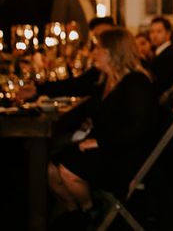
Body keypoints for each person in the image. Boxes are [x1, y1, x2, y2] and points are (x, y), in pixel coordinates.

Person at [47, 27, 159, 225]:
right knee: (50, 168)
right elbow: (75, 89)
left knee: (67, 171)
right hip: (106, 145)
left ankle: (91, 213)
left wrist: (100, 141)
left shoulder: (137, 83)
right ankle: (76, 214)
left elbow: (138, 130)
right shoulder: (105, 80)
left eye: (98, 48)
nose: (93, 53)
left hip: (124, 153)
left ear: (112, 53)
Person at [148, 15, 173, 107]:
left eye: (159, 32)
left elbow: (163, 84)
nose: (154, 35)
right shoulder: (157, 53)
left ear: (168, 34)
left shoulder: (170, 55)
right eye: (152, 31)